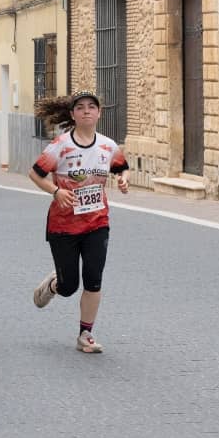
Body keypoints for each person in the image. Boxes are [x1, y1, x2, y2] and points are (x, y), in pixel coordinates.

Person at [29, 90, 131, 354]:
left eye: (91, 107)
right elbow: (35, 174)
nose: (86, 111)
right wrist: (56, 191)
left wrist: (123, 179)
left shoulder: (108, 146)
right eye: (81, 107)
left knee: (94, 279)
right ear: (73, 115)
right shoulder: (61, 145)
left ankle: (86, 334)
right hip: (63, 226)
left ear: (99, 113)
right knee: (69, 287)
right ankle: (55, 284)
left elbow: (121, 167)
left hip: (97, 222)